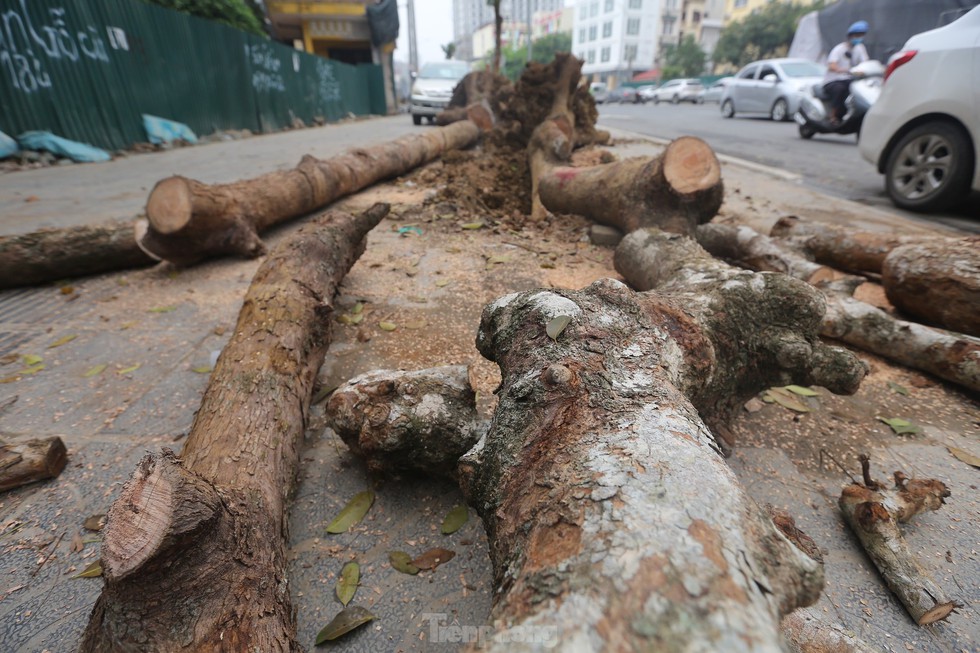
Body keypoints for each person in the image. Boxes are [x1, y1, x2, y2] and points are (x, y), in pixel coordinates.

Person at [822, 20, 870, 124]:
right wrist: (846, 70)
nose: (859, 38)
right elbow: (832, 65)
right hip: (833, 81)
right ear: (850, 36)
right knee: (840, 89)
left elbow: (865, 63)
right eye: (857, 35)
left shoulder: (860, 48)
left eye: (861, 35)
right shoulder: (839, 49)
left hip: (850, 80)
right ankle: (833, 116)